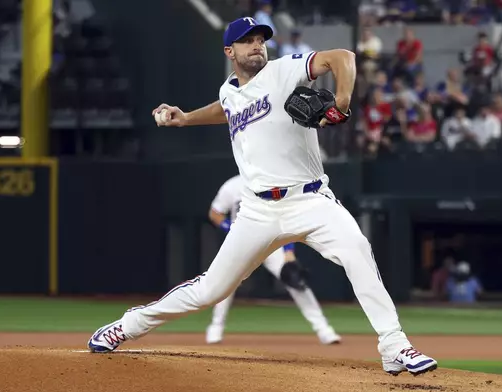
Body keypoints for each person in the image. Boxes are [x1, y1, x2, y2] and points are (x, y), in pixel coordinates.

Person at [87, 16, 437, 376]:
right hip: (257, 211)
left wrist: (342, 103)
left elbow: (343, 57)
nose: (257, 45)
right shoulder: (229, 92)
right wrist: (186, 118)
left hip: (311, 199)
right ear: (230, 51)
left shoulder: (284, 71)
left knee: (358, 251)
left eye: (260, 39)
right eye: (247, 40)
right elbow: (226, 108)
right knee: (211, 290)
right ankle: (128, 326)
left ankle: (394, 346)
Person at [205, 174, 341, 345]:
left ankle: (324, 330)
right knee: (226, 284)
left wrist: (289, 252)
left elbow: (285, 219)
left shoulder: (274, 182)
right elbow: (215, 213)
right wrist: (230, 228)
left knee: (295, 280)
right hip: (243, 243)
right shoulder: (232, 185)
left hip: (271, 244)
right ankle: (216, 327)